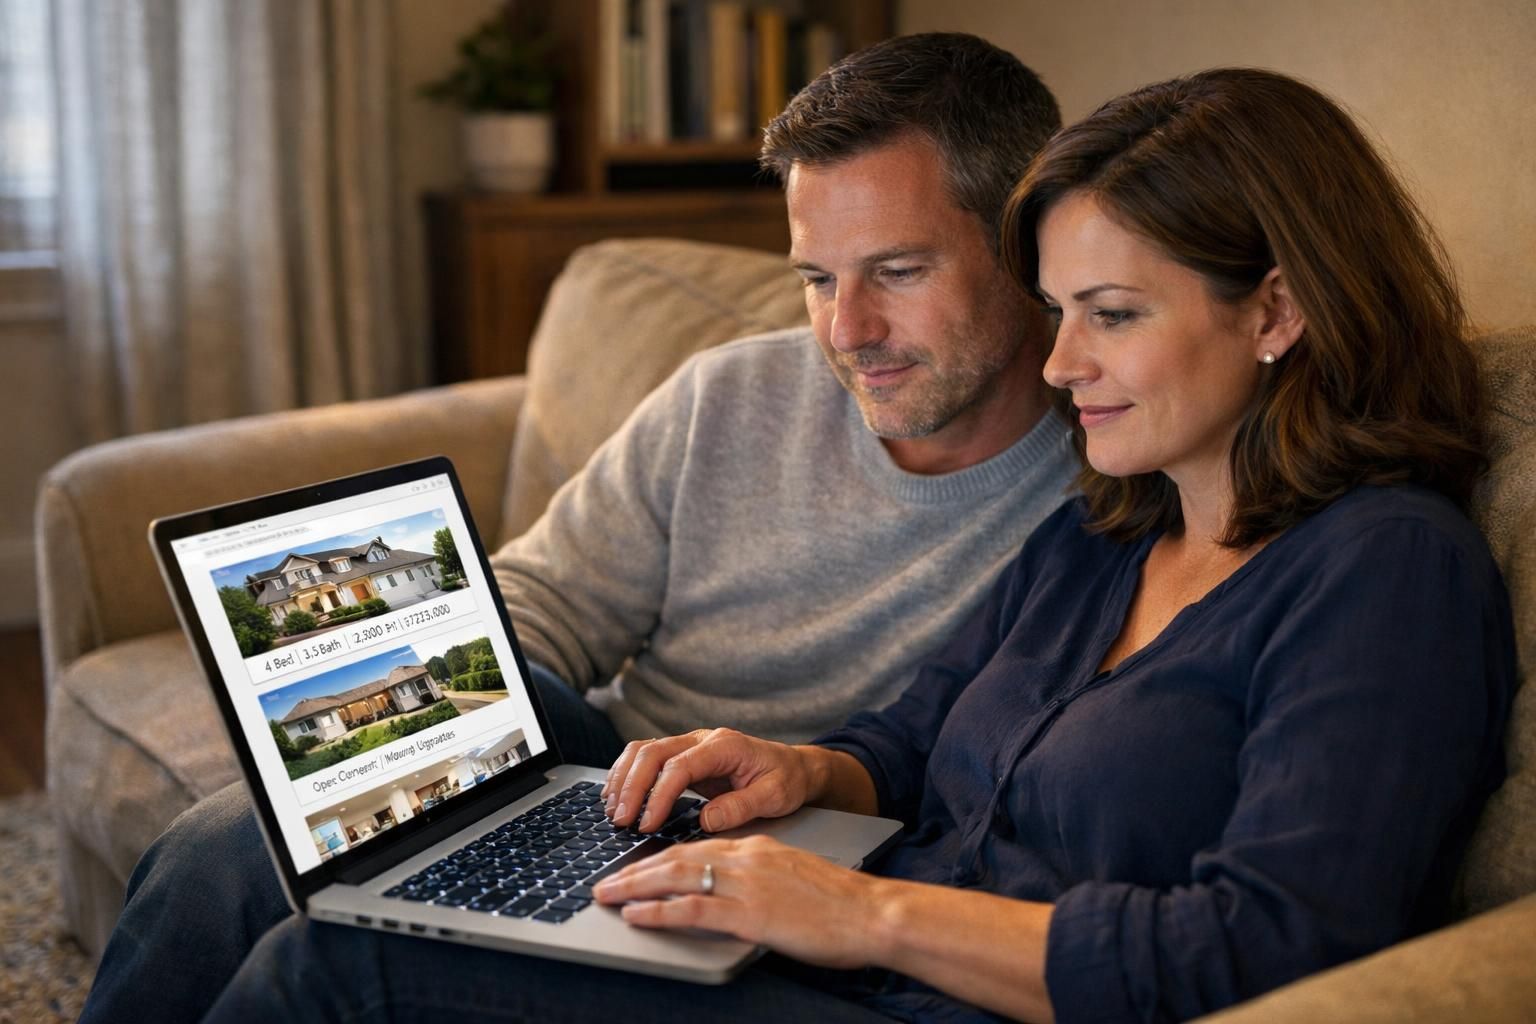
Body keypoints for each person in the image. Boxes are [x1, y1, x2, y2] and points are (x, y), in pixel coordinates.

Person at [201, 67, 1514, 1024]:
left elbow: (1271, 952)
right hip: (828, 960)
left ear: (1276, 309)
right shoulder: (1107, 535)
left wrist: (864, 913)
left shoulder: (1385, 571)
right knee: (292, 859)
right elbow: (900, 741)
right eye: (1061, 311)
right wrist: (793, 772)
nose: (1062, 363)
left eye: (1109, 314)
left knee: (338, 973)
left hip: (913, 985)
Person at [78, 34, 1079, 1023]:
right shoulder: (734, 393)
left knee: (326, 967)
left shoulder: (1112, 486)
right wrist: (421, 710)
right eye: (817, 277)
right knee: (223, 854)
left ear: (1026, 243)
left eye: (897, 271)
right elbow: (549, 601)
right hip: (614, 782)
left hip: (824, 854)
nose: (846, 331)